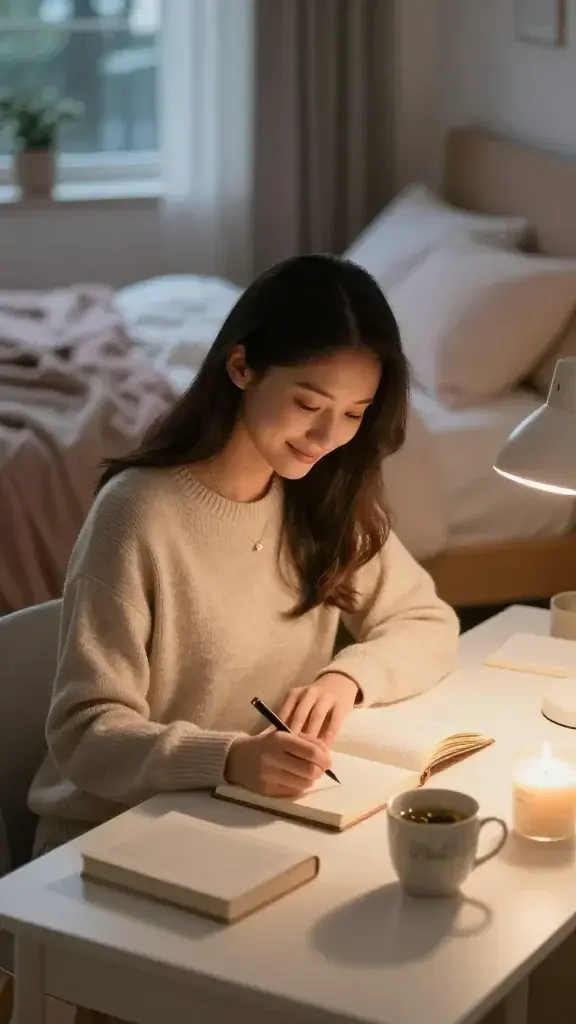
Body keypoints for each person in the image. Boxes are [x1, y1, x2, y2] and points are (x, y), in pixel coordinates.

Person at [29, 254, 459, 856]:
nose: (328, 437)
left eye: (354, 414)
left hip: (233, 818)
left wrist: (347, 677)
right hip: (111, 836)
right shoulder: (138, 513)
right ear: (241, 366)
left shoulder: (320, 497)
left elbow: (428, 621)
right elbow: (85, 733)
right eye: (310, 405)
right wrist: (228, 759)